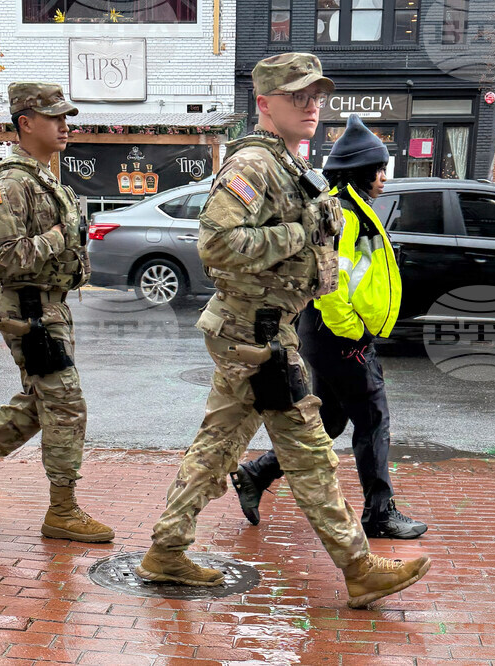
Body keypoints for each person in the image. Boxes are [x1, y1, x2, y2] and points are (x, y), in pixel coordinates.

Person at [136, 54, 430, 609]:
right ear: (264, 103)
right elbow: (217, 245)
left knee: (218, 445)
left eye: (316, 94)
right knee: (309, 450)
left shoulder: (286, 164)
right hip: (256, 337)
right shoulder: (254, 165)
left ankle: (167, 550)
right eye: (298, 95)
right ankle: (359, 567)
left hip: (263, 331)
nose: (312, 105)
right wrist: (301, 231)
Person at [0, 82, 113, 543]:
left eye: (66, 118)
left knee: (40, 403)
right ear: (26, 123)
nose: (64, 126)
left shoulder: (43, 176)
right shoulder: (12, 181)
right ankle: (62, 511)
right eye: (55, 118)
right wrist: (56, 237)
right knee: (68, 407)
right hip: (29, 312)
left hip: (50, 309)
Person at [230, 115, 428, 540]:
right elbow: (330, 284)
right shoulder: (345, 215)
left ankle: (255, 474)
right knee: (374, 420)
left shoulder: (352, 208)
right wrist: (353, 333)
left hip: (332, 335)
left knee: (333, 422)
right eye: (379, 171)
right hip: (340, 336)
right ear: (360, 171)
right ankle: (379, 512)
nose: (384, 179)